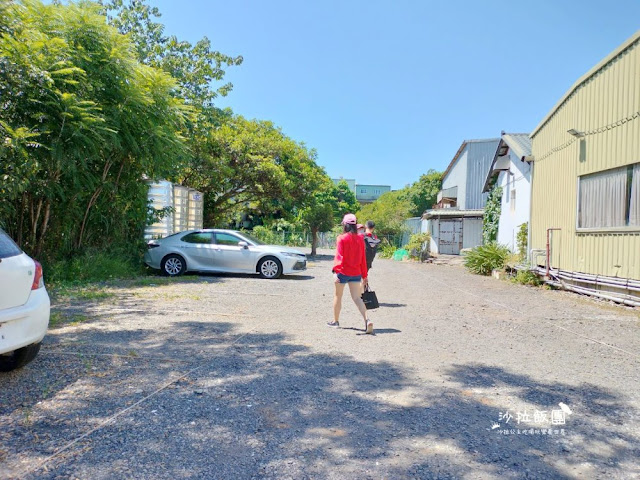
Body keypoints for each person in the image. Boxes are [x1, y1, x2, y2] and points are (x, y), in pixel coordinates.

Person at [328, 213, 373, 334]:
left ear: (345, 225)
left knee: (338, 296)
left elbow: (339, 256)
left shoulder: (341, 238)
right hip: (356, 273)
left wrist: (336, 272)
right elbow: (363, 259)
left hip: (343, 272)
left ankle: (336, 322)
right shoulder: (360, 239)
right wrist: (364, 275)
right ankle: (367, 320)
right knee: (357, 298)